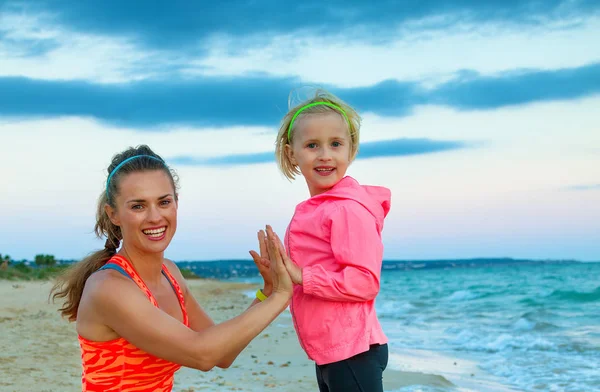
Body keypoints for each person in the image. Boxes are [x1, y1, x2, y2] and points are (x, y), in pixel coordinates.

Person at [50, 145, 292, 392]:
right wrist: (281, 297)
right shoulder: (109, 288)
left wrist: (268, 292)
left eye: (164, 202)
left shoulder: (170, 273)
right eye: (138, 206)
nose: (155, 217)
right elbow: (202, 355)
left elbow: (222, 356)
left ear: (176, 203)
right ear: (113, 214)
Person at [264, 89, 392, 392]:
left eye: (335, 144)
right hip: (333, 348)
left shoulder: (347, 209)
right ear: (291, 153)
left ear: (351, 149)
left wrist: (301, 275)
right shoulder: (321, 208)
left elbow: (364, 281)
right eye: (312, 145)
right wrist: (279, 274)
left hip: (353, 351)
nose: (325, 155)